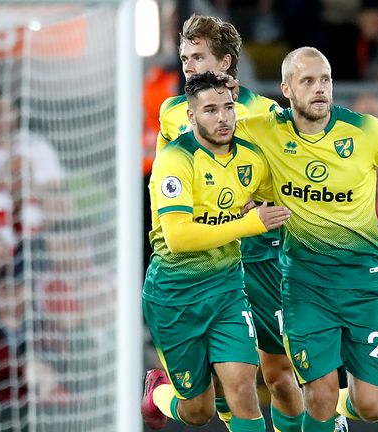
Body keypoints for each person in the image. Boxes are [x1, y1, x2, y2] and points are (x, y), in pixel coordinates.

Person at [235, 47, 378, 431]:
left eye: (325, 79)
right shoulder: (264, 131)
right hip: (304, 285)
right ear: (287, 90)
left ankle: (338, 419)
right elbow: (218, 132)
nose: (319, 89)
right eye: (307, 81)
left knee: (373, 405)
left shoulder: (365, 130)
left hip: (365, 284)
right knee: (321, 394)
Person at [152, 15, 312, 432]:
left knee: (272, 372)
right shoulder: (177, 111)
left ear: (225, 63)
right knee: (204, 406)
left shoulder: (269, 114)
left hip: (259, 255)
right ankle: (161, 394)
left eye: (198, 57)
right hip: (195, 260)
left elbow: (287, 167)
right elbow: (206, 142)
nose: (187, 65)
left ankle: (322, 424)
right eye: (184, 57)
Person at [140, 72, 290, 432]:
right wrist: (251, 224)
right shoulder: (175, 161)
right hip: (175, 295)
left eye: (228, 108)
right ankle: (157, 393)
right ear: (191, 117)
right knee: (197, 412)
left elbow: (286, 195)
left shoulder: (251, 159)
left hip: (226, 288)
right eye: (210, 110)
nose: (222, 118)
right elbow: (178, 237)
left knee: (242, 387)